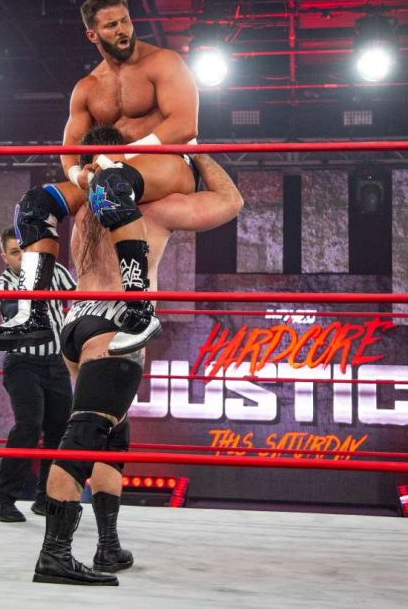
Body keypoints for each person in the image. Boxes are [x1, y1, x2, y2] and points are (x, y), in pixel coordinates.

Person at [33, 125, 244, 586]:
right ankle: (54, 554)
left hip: (76, 323)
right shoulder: (153, 207)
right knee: (86, 434)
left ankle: (108, 546)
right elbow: (230, 201)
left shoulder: (85, 205)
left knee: (112, 436)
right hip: (114, 324)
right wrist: (194, 149)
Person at [0, 0, 202, 356]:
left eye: (125, 20)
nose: (123, 30)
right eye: (111, 25)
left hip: (169, 164)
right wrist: (78, 176)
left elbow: (184, 125)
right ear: (93, 34)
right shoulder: (88, 88)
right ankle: (33, 314)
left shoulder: (163, 63)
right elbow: (69, 150)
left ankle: (139, 311)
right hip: (108, 172)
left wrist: (121, 157)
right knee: (34, 205)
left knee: (111, 184)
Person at [0, 227, 77, 523]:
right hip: (23, 364)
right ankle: (1, 498)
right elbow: (16, 312)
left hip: (56, 363)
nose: (23, 257)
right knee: (29, 426)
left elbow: (82, 296)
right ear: (5, 257)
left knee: (59, 431)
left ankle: (46, 499)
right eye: (15, 252)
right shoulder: (4, 283)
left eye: (26, 250)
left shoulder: (56, 272)